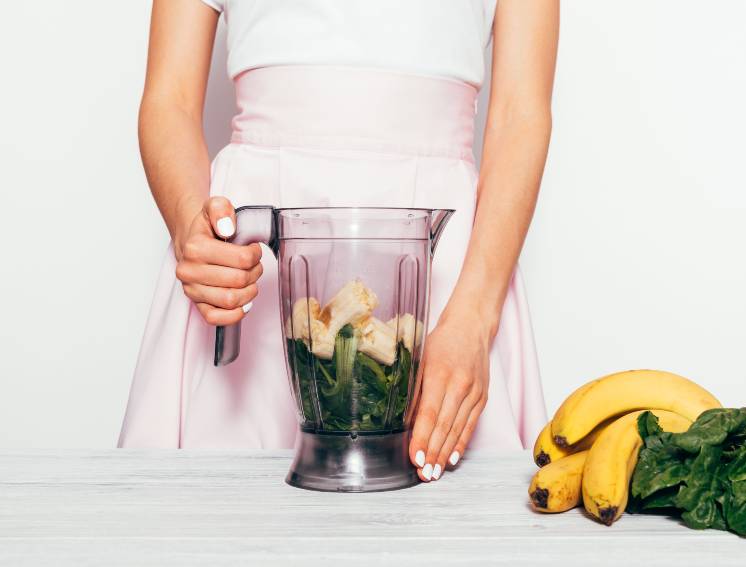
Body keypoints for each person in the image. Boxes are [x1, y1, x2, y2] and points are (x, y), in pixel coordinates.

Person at [119, 0, 558, 483]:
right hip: (250, 264)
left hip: (451, 280)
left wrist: (474, 320)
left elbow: (522, 114)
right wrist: (191, 227)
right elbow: (169, 99)